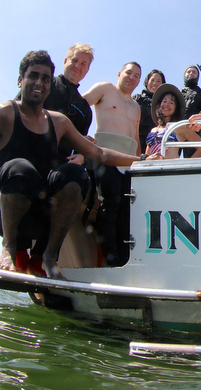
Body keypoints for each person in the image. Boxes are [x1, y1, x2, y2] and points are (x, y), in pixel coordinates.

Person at [0, 51, 139, 279]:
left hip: (43, 210)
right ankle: (10, 248)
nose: (39, 83)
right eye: (33, 76)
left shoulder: (59, 122)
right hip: (10, 209)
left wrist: (141, 160)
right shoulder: (2, 114)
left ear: (50, 86)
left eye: (44, 79)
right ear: (20, 80)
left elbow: (97, 152)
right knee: (21, 168)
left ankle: (47, 258)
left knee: (75, 174)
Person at [83, 62, 142, 265]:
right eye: (128, 73)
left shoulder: (136, 107)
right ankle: (110, 257)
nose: (131, 78)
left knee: (127, 209)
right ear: (119, 73)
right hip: (105, 154)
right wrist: (81, 139)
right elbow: (81, 107)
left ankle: (124, 257)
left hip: (128, 162)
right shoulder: (105, 89)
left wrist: (141, 163)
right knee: (109, 203)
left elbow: (135, 136)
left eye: (136, 76)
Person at [144, 83, 201, 159]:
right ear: (159, 105)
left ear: (176, 108)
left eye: (171, 103)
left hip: (171, 168)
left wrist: (185, 165)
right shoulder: (153, 130)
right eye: (164, 101)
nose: (166, 105)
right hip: (152, 169)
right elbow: (147, 154)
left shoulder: (180, 126)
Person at [134, 69, 165, 150]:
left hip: (155, 143)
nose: (155, 83)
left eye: (159, 81)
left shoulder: (164, 104)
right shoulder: (137, 99)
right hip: (136, 140)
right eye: (152, 80)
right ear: (147, 81)